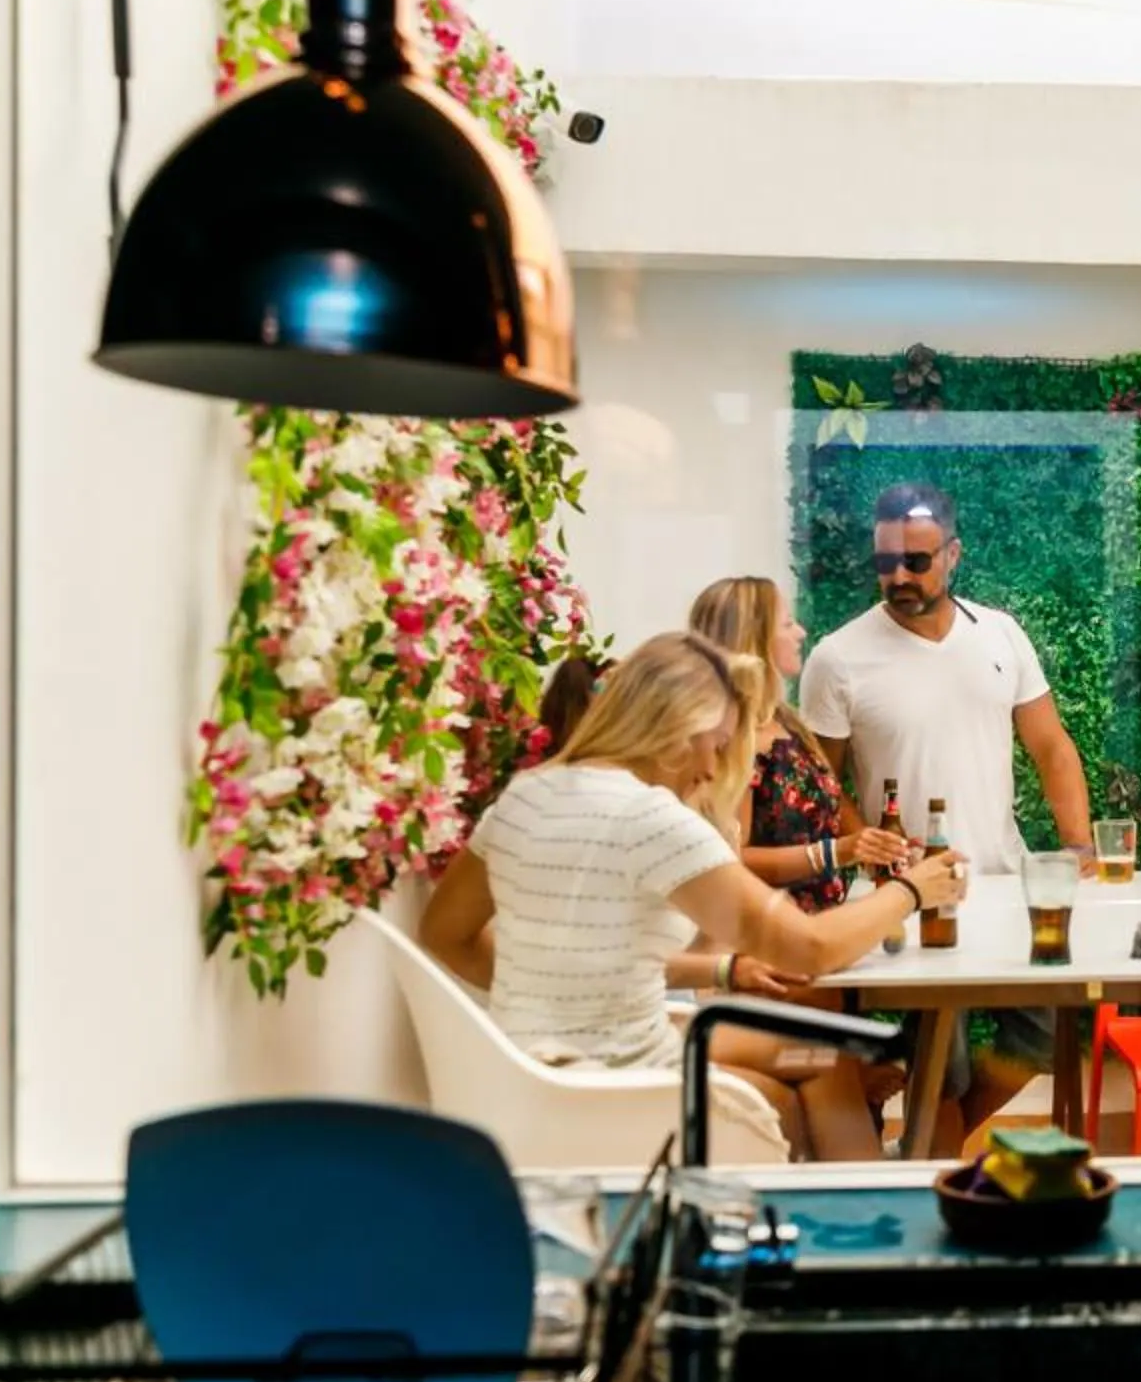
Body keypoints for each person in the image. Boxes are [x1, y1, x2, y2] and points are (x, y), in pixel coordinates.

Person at [421, 630, 964, 1162]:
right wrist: (912, 890)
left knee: (822, 1060)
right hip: (624, 1082)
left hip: (526, 1073)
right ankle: (856, 1229)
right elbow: (811, 948)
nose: (711, 769)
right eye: (718, 745)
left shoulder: (527, 794)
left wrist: (556, 989)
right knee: (807, 1080)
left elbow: (443, 933)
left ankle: (843, 1214)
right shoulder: (653, 820)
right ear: (681, 730)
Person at [797, 481, 1093, 1139]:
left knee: (1047, 1035)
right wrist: (876, 855)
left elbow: (1050, 744)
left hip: (1000, 878)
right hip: (911, 893)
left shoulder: (1002, 635)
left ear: (953, 554)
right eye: (884, 562)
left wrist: (1079, 846)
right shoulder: (838, 658)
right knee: (943, 1057)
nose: (897, 575)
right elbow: (823, 781)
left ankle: (938, 1140)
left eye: (917, 561)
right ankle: (931, 1158)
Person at [688, 577, 910, 910]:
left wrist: (875, 848)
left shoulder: (785, 722)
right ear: (754, 638)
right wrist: (837, 851)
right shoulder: (731, 737)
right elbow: (729, 861)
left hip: (818, 926)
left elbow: (830, 802)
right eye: (788, 624)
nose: (801, 633)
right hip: (772, 939)